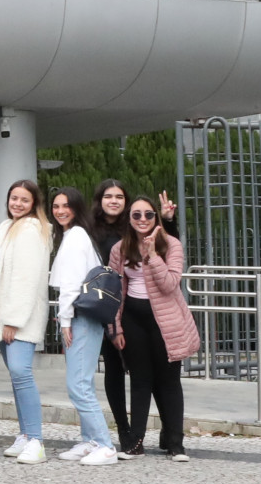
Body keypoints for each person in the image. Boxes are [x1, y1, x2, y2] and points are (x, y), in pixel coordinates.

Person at [109, 196, 198, 461]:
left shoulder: (171, 245)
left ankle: (176, 444)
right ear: (129, 219)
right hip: (132, 320)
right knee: (139, 380)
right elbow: (116, 290)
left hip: (166, 320)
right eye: (136, 215)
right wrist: (116, 327)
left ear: (156, 218)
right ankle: (135, 442)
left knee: (169, 381)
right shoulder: (120, 249)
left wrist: (152, 256)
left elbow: (171, 284)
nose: (142, 220)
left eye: (148, 215)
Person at [48, 187, 116, 466]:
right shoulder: (73, 235)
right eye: (55, 206)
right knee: (83, 381)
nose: (60, 211)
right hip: (83, 316)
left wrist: (64, 320)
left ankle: (104, 444)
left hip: (80, 317)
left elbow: (71, 285)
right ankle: (90, 441)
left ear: (77, 208)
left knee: (77, 384)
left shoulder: (75, 236)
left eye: (66, 206)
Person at [0, 179, 52, 464]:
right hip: (5, 317)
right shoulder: (6, 227)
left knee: (21, 373)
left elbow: (26, 279)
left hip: (20, 318)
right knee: (16, 377)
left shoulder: (32, 229)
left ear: (34, 204)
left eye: (24, 200)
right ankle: (26, 435)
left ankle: (36, 440)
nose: (17, 203)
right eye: (13, 198)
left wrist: (13, 320)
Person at [86, 179, 133, 440]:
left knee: (141, 370)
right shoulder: (90, 230)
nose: (113, 201)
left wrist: (169, 220)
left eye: (119, 196)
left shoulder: (135, 226)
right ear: (100, 200)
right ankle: (123, 429)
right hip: (104, 305)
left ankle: (144, 428)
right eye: (108, 196)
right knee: (113, 369)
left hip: (133, 303)